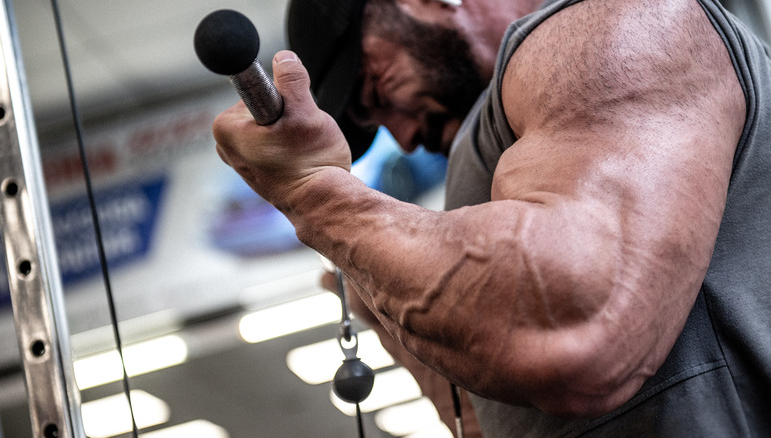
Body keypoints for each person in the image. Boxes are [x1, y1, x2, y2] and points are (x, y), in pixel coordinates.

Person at [213, 0, 771, 436]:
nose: (405, 139)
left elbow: (576, 335)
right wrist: (390, 294)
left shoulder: (617, 25)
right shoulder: (497, 152)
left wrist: (315, 196)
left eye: (376, 88)